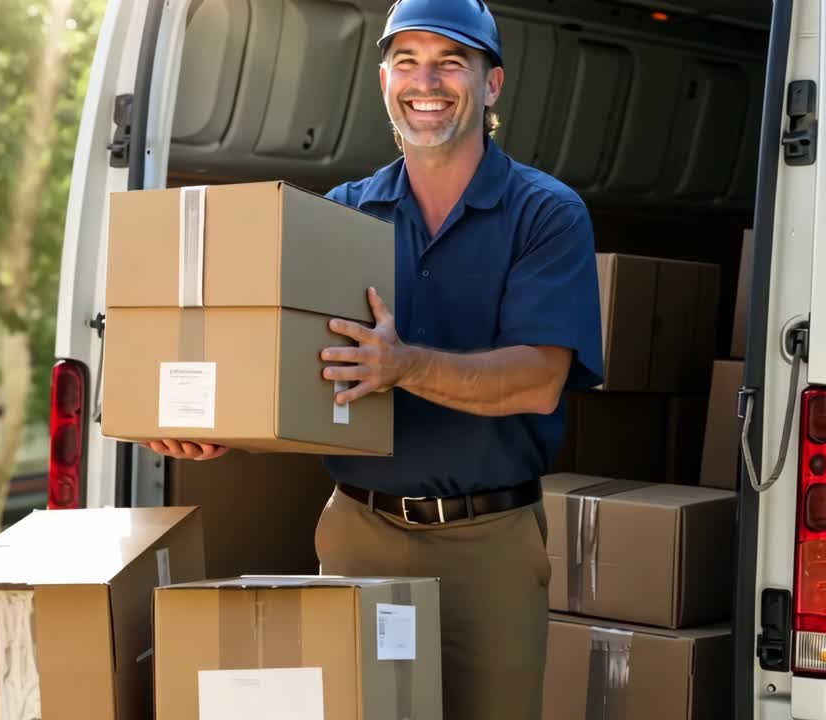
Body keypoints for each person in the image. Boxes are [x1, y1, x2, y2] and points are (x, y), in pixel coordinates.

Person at [144, 1, 603, 717]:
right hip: (359, 535)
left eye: (452, 61)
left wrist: (404, 366)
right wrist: (213, 428)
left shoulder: (545, 214)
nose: (428, 81)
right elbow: (299, 372)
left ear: (491, 85)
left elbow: (539, 382)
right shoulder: (341, 215)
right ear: (385, 79)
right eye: (408, 62)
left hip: (489, 545)